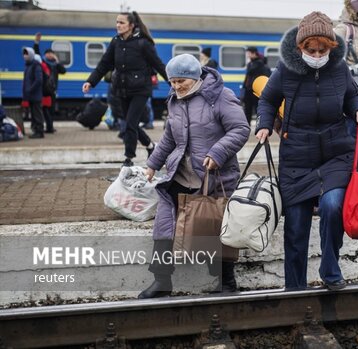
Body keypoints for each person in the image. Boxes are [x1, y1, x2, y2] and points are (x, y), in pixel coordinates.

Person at [255, 11, 358, 291]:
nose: (317, 54)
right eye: (311, 49)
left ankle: (330, 271)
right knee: (296, 226)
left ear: (331, 47)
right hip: (297, 155)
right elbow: (268, 100)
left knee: (333, 207)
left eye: (322, 49)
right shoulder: (285, 70)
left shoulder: (339, 68)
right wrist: (264, 125)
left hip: (335, 152)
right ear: (300, 48)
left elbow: (353, 95)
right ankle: (295, 289)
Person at [141, 54, 250, 298]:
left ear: (195, 77)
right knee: (164, 223)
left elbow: (241, 128)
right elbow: (170, 137)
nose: (176, 87)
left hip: (215, 176)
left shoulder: (220, 97)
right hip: (181, 175)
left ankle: (227, 283)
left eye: (181, 81)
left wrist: (218, 153)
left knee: (217, 227)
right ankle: (162, 281)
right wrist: (152, 165)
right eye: (172, 82)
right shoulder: (174, 100)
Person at [83, 11, 168, 167]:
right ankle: (151, 146)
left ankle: (128, 158)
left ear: (131, 25)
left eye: (122, 22)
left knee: (129, 124)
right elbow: (104, 64)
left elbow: (158, 65)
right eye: (117, 22)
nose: (118, 25)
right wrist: (91, 81)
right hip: (121, 90)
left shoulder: (143, 43)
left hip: (140, 90)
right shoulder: (116, 42)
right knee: (131, 124)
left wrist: (173, 83)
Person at [33, 32, 66, 133]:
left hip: (52, 90)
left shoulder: (55, 65)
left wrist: (57, 61)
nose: (50, 55)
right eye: (48, 53)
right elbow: (36, 54)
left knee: (51, 109)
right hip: (44, 90)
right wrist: (36, 43)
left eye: (52, 53)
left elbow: (63, 71)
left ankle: (50, 127)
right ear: (45, 55)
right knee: (45, 108)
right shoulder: (43, 63)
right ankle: (47, 127)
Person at [242, 46, 270, 125]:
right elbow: (247, 77)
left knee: (257, 109)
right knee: (247, 109)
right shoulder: (250, 64)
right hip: (248, 90)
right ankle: (247, 126)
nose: (247, 55)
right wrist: (244, 86)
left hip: (256, 91)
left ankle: (260, 126)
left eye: (248, 53)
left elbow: (262, 77)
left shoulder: (260, 64)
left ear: (253, 53)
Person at [22, 47, 45, 139]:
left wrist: (30, 89)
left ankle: (39, 131)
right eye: (24, 54)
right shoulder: (28, 65)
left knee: (37, 113)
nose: (24, 56)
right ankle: (35, 130)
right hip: (30, 95)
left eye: (26, 54)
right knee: (34, 114)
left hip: (35, 94)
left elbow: (39, 80)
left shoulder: (36, 65)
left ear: (31, 54)